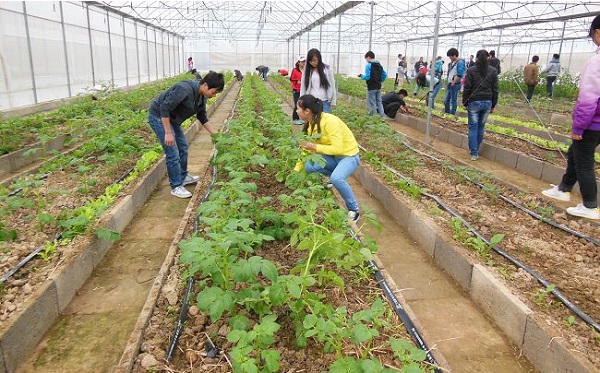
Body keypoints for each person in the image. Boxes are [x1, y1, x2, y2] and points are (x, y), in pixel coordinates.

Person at [541, 15, 600, 220]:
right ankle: (564, 188)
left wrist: (578, 127)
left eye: (592, 35)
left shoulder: (597, 61)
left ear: (598, 32)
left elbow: (588, 98)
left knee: (584, 161)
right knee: (574, 153)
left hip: (592, 122)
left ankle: (590, 205)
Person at [148, 71, 225, 199]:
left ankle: (183, 177)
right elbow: (164, 108)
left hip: (172, 119)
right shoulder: (183, 90)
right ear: (205, 85)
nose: (214, 95)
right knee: (172, 151)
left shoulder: (201, 96)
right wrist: (167, 132)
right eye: (214, 92)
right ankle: (176, 186)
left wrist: (215, 134)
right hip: (159, 117)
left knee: (183, 146)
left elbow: (201, 116)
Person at [297, 94, 361, 222]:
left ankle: (354, 209)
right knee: (309, 166)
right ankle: (335, 176)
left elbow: (338, 148)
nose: (297, 111)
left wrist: (315, 147)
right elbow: (306, 150)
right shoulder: (311, 125)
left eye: (298, 108)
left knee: (337, 178)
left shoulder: (329, 121)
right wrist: (296, 171)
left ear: (307, 111)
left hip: (349, 156)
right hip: (335, 157)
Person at [462, 49, 499, 161]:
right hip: (487, 102)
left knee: (473, 127)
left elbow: (467, 87)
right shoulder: (493, 70)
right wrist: (493, 104)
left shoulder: (471, 70)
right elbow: (495, 89)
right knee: (481, 127)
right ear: (488, 57)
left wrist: (465, 101)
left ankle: (474, 153)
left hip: (474, 102)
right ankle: (476, 149)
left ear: (477, 58)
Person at [300, 48, 337, 113]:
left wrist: (333, 101)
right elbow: (303, 86)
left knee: (324, 122)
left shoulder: (327, 69)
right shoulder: (307, 70)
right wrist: (301, 101)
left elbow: (332, 85)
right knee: (313, 122)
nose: (313, 63)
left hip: (325, 102)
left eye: (315, 60)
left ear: (319, 58)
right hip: (312, 102)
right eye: (310, 61)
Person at [359, 51, 388, 119]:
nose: (366, 60)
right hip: (378, 86)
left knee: (372, 102)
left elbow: (367, 77)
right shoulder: (379, 65)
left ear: (368, 57)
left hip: (371, 87)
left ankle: (372, 117)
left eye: (366, 59)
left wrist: (361, 76)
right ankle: (382, 117)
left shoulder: (368, 65)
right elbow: (385, 74)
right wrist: (380, 80)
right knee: (379, 102)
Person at [444, 47, 466, 115]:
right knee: (446, 100)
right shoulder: (452, 63)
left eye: (450, 56)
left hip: (455, 84)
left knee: (453, 100)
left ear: (454, 55)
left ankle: (452, 114)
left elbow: (460, 74)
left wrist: (454, 82)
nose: (450, 58)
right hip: (450, 83)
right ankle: (447, 113)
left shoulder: (460, 63)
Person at [290, 56, 306, 124]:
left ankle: (301, 118)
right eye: (301, 62)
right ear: (298, 62)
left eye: (304, 61)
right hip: (296, 90)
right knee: (297, 104)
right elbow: (291, 79)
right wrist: (297, 81)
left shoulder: (306, 70)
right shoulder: (295, 70)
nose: (303, 63)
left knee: (303, 104)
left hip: (303, 90)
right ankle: (295, 119)